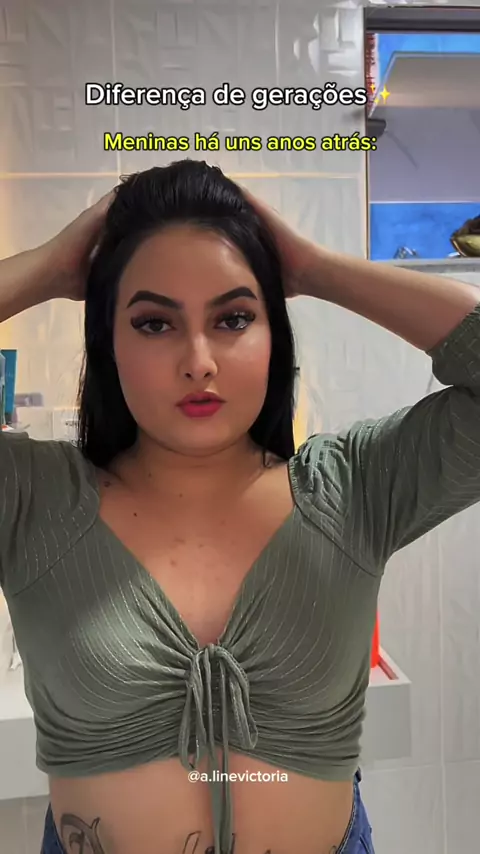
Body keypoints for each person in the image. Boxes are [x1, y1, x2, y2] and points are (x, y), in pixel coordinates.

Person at [1, 159, 479, 854]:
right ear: (108, 343)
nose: (199, 360)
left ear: (273, 333)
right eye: (154, 323)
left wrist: (317, 269)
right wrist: (49, 269)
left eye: (233, 318)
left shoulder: (355, 488)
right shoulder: (31, 498)